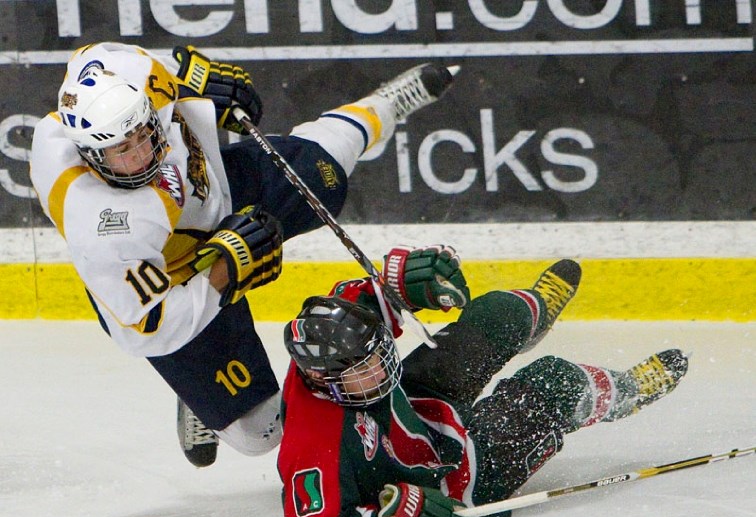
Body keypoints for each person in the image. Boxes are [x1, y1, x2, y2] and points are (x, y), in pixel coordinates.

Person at [30, 41, 459, 467]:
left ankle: (386, 102)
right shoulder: (105, 232)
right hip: (177, 279)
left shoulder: (122, 76)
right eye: (122, 150)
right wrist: (226, 267)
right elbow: (146, 329)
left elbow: (140, 61)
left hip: (215, 188)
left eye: (144, 134)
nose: (142, 154)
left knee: (324, 170)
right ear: (90, 155)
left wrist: (196, 79)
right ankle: (197, 399)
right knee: (260, 432)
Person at [277, 247, 689, 517]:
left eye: (378, 355)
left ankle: (536, 313)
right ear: (323, 379)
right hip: (455, 474)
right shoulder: (312, 446)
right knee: (554, 382)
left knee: (496, 314)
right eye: (365, 369)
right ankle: (627, 390)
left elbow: (363, 296)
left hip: (422, 403)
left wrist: (403, 279)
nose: (382, 368)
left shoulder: (345, 356)